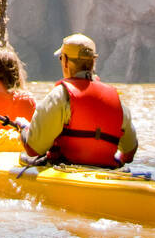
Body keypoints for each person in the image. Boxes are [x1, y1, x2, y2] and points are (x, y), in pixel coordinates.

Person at [20, 33, 138, 168]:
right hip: (107, 172)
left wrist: (24, 129)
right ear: (93, 62)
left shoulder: (60, 96)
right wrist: (118, 162)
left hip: (66, 171)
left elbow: (33, 149)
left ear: (65, 61)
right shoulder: (117, 101)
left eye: (61, 58)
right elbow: (129, 153)